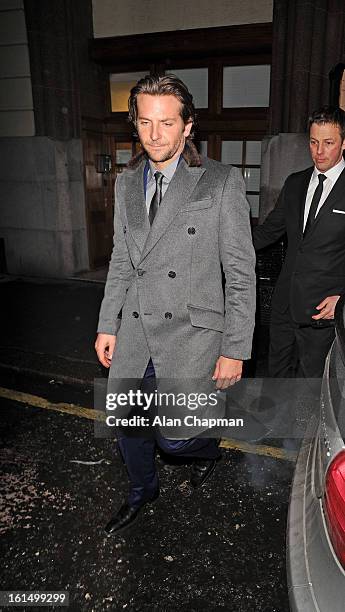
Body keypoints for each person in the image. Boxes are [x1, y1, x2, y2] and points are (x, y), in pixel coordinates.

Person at [95, 74, 256, 534]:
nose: (155, 134)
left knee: (177, 438)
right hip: (136, 331)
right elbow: (122, 260)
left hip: (192, 335)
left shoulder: (220, 182)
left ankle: (207, 441)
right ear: (136, 126)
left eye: (167, 123)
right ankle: (141, 492)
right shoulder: (126, 184)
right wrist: (109, 323)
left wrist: (235, 349)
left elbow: (241, 274)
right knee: (129, 424)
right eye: (145, 123)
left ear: (188, 127)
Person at [253, 106, 345, 379]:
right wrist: (225, 249)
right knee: (276, 380)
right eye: (314, 142)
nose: (319, 151)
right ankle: (277, 424)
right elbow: (269, 231)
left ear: (344, 143)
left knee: (312, 389)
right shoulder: (295, 183)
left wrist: (342, 300)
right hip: (284, 305)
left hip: (323, 312)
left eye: (328, 143)